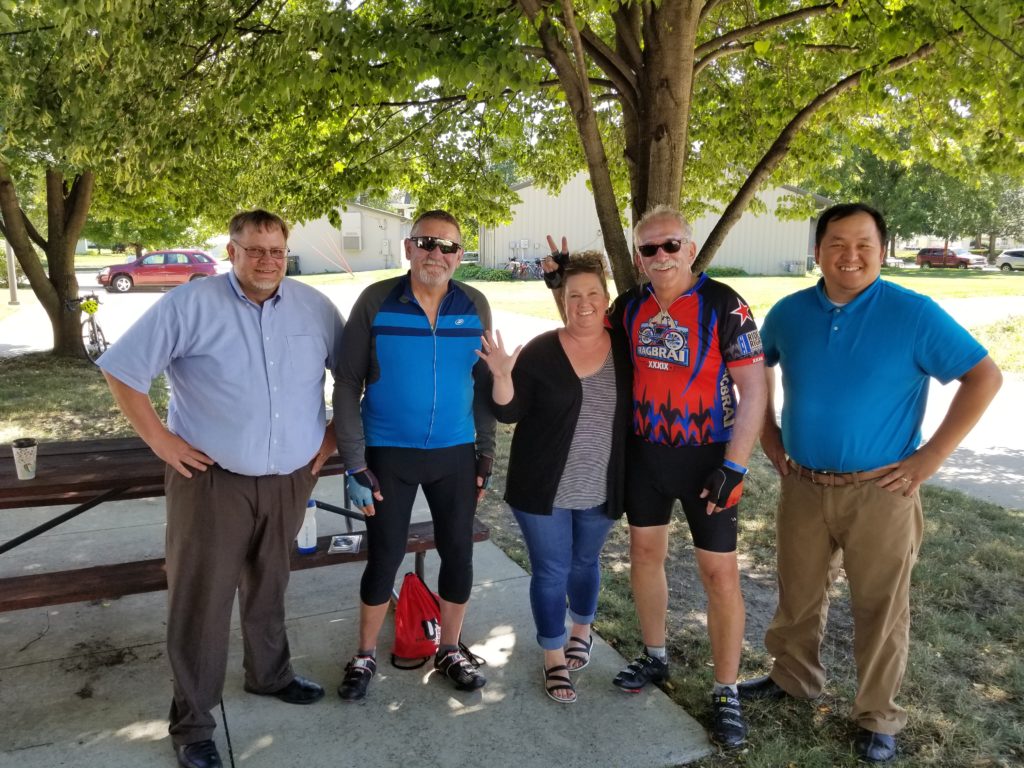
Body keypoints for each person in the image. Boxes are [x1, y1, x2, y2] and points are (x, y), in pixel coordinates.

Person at [738, 203, 1002, 763]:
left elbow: (984, 376)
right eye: (837, 243)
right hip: (803, 485)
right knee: (798, 594)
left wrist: (930, 458)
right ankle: (793, 679)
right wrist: (769, 436)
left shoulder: (915, 314)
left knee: (880, 607)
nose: (849, 255)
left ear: (882, 249)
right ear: (818, 251)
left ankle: (878, 715)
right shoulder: (788, 313)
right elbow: (757, 368)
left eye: (863, 244)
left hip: (882, 492)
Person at [98, 210, 345, 768]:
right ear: (230, 252)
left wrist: (329, 439)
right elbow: (123, 370)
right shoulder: (191, 304)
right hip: (210, 481)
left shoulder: (315, 308)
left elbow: (353, 375)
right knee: (201, 601)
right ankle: (192, 723)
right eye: (253, 250)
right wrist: (161, 441)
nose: (266, 261)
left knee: (269, 584)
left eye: (276, 251)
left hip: (289, 479)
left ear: (288, 253)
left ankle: (270, 675)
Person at [544, 205, 767, 747]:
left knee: (720, 576)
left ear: (690, 249)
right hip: (646, 454)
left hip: (709, 458)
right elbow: (583, 320)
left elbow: (755, 390)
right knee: (645, 557)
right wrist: (559, 284)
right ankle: (656, 655)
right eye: (649, 249)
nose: (661, 256)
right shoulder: (629, 306)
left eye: (671, 245)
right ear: (639, 258)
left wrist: (734, 466)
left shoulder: (725, 305)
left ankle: (726, 690)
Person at [333, 209, 496, 700]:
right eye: (427, 243)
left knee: (459, 555)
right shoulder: (376, 301)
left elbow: (483, 385)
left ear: (460, 255)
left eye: (448, 246)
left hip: (455, 453)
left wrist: (485, 455)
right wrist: (355, 463)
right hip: (388, 455)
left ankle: (448, 649)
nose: (436, 254)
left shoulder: (476, 305)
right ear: (408, 248)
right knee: (383, 557)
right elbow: (346, 384)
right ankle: (363, 654)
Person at [476, 252, 632, 703]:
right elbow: (508, 411)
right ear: (561, 301)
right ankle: (553, 655)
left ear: (606, 299)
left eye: (592, 294)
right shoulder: (543, 349)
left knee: (585, 562)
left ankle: (581, 628)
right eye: (573, 295)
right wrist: (502, 376)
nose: (583, 303)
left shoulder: (624, 346)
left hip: (602, 483)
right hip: (542, 487)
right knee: (551, 570)